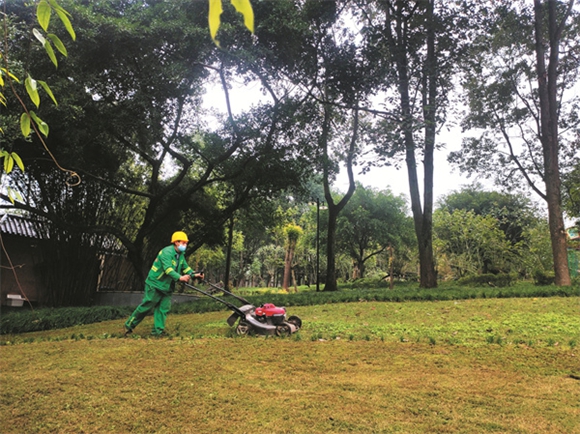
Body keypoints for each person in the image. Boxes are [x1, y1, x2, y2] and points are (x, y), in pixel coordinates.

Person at [124, 231, 203, 337]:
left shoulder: (180, 255)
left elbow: (186, 268)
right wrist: (180, 278)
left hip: (167, 286)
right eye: (183, 242)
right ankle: (129, 325)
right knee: (147, 306)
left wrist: (195, 274)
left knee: (163, 309)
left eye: (186, 243)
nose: (185, 245)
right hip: (155, 284)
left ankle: (157, 332)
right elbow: (168, 269)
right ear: (176, 242)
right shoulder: (166, 252)